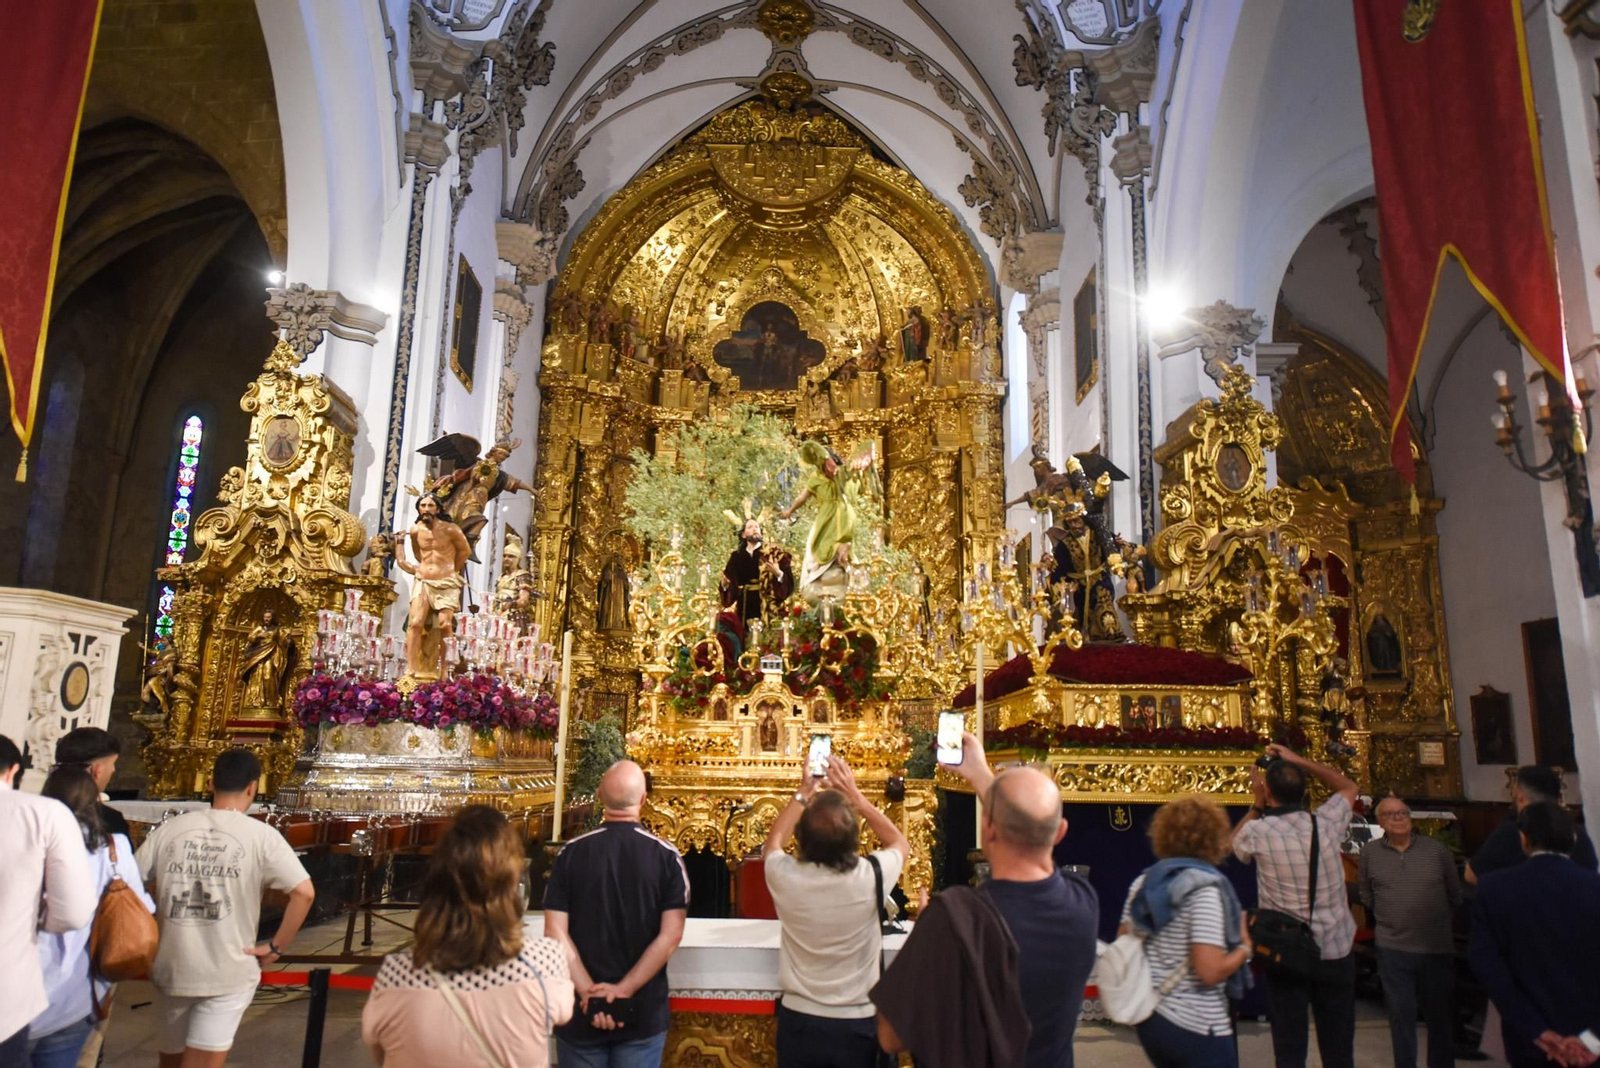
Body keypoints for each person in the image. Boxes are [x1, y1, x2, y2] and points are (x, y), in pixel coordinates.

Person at [878, 731, 1098, 1068]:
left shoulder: (950, 919)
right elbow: (1033, 845)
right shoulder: (1083, 902)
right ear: (1060, 832)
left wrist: (927, 937)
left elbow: (891, 1036)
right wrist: (982, 775)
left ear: (987, 828)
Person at [136, 748, 314, 1068]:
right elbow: (304, 892)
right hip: (227, 970)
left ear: (210, 785)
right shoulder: (261, 836)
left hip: (171, 965)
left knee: (170, 1062)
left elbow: (129, 883)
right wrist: (277, 945)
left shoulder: (170, 830)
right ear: (252, 787)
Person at [363, 806, 573, 1066]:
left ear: (435, 882)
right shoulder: (545, 962)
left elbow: (381, 1053)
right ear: (511, 884)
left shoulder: (394, 977)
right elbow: (562, 1011)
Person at [762, 753, 909, 1068]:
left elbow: (772, 843)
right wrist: (857, 798)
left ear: (801, 839)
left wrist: (803, 792)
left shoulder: (786, 876)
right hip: (856, 1021)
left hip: (799, 1021)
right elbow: (899, 842)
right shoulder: (872, 876)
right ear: (855, 839)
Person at [543, 760, 688, 1067]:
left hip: (580, 1011)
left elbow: (555, 932)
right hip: (641, 1011)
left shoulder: (570, 853)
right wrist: (624, 990)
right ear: (644, 799)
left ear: (599, 796)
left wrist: (588, 994)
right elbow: (670, 936)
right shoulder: (666, 857)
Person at [1231, 743, 1359, 1068]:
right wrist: (1298, 760)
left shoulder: (1258, 831)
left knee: (1289, 1044)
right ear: (1303, 791)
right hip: (1335, 948)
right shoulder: (1326, 823)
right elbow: (1348, 786)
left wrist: (1257, 803)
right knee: (1339, 1044)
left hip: (1287, 950)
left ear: (1268, 791)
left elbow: (1234, 843)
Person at [29, 766, 155, 1068]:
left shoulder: (26, 838)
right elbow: (144, 908)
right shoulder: (114, 847)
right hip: (78, 991)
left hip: (22, 990)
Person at [1118, 795, 1253, 1068]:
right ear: (1215, 837)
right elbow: (1209, 971)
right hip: (1198, 1023)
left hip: (1153, 1018)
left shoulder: (1143, 882)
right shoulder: (1204, 889)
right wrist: (1244, 948)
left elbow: (1124, 942)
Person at [1469, 802, 1600, 1068]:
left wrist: (1537, 1031)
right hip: (1591, 1040)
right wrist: (1592, 1038)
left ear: (1523, 838)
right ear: (1574, 838)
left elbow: (1488, 967)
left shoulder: (1494, 889)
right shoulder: (1594, 888)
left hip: (1527, 1038)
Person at [0, 733, 95, 1063]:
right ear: (13, 771)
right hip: (6, 998)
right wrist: (37, 920)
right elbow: (74, 912)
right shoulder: (43, 813)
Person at [1359, 795, 1462, 1068]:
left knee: (1439, 1017)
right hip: (1393, 947)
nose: (1398, 818)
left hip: (1434, 947)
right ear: (1380, 821)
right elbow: (1367, 896)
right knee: (1400, 1017)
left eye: (1403, 813)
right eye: (1391, 814)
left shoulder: (1436, 851)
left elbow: (1455, 894)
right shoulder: (1370, 853)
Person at [1465, 765, 1597, 884]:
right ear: (1558, 797)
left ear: (1520, 797)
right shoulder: (1580, 835)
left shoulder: (1510, 833)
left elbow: (1471, 875)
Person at [394, 493, 471, 678]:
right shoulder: (415, 530)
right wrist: (425, 568)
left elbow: (465, 551)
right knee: (415, 623)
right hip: (424, 581)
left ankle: (445, 669)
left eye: (430, 505)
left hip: (447, 581)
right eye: (423, 505)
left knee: (445, 625)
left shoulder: (451, 529)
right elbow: (419, 554)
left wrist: (451, 570)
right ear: (418, 509)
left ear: (437, 508)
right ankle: (411, 668)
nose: (426, 509)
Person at [54, 726, 132, 840]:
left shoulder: (34, 810)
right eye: (113, 763)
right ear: (97, 771)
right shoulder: (110, 821)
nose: (113, 770)